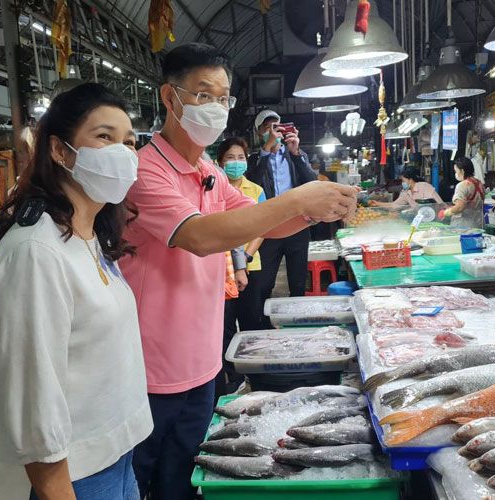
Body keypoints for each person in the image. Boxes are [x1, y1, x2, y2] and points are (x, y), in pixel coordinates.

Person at [119, 43, 358, 500]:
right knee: (140, 480)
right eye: (203, 95)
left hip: (204, 360)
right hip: (151, 368)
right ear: (171, 99)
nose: (215, 108)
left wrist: (313, 210)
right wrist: (296, 198)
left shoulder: (208, 169)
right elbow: (202, 236)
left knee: (183, 479)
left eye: (223, 97)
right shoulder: (146, 172)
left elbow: (261, 218)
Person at [0, 83, 151, 500]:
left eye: (129, 143)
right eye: (104, 137)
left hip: (115, 454)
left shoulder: (89, 237)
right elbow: (33, 395)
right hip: (73, 474)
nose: (122, 154)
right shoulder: (36, 251)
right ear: (60, 150)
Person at [246, 110, 317, 325]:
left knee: (297, 280)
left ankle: (297, 322)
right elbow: (251, 183)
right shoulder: (255, 159)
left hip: (297, 226)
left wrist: (296, 153)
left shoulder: (296, 155)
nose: (274, 131)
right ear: (260, 133)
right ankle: (263, 323)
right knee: (263, 281)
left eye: (277, 126)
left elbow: (311, 182)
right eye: (268, 127)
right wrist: (267, 150)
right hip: (269, 228)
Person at [215, 137, 265, 395]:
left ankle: (254, 374)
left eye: (240, 157)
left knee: (250, 320)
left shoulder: (255, 190)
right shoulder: (213, 189)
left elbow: (263, 227)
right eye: (230, 158)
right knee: (224, 324)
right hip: (221, 268)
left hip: (250, 265)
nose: (236, 163)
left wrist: (244, 258)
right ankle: (232, 377)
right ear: (220, 162)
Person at [444, 157, 485, 229]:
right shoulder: (479, 183)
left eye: (456, 171)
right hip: (478, 223)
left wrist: (447, 211)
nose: (456, 174)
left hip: (463, 226)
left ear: (462, 171)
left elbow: (460, 207)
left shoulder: (462, 185)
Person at [372, 166, 443, 208]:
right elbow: (395, 205)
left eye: (403, 181)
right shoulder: (405, 192)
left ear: (411, 180)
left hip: (434, 216)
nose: (402, 183)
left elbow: (438, 204)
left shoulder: (424, 186)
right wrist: (378, 203)